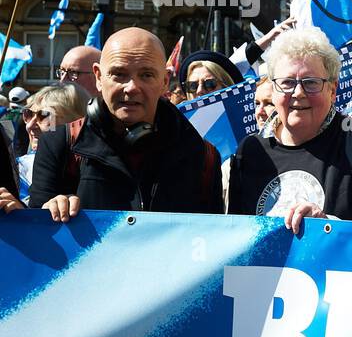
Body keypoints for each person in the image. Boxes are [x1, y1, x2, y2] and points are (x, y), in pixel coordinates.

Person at [4, 28, 223, 220]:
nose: (131, 87)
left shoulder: (203, 156)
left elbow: (212, 247)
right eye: (119, 74)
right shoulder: (60, 144)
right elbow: (39, 242)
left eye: (146, 75)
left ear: (165, 81)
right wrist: (49, 211)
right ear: (99, 77)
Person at [228, 28, 352, 233]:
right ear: (273, 90)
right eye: (287, 83)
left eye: (311, 83)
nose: (298, 93)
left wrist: (326, 223)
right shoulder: (250, 150)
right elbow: (235, 234)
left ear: (332, 90)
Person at [15, 84, 89, 202]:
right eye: (28, 114)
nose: (30, 126)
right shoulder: (16, 169)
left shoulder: (94, 170)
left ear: (76, 124)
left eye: (44, 116)